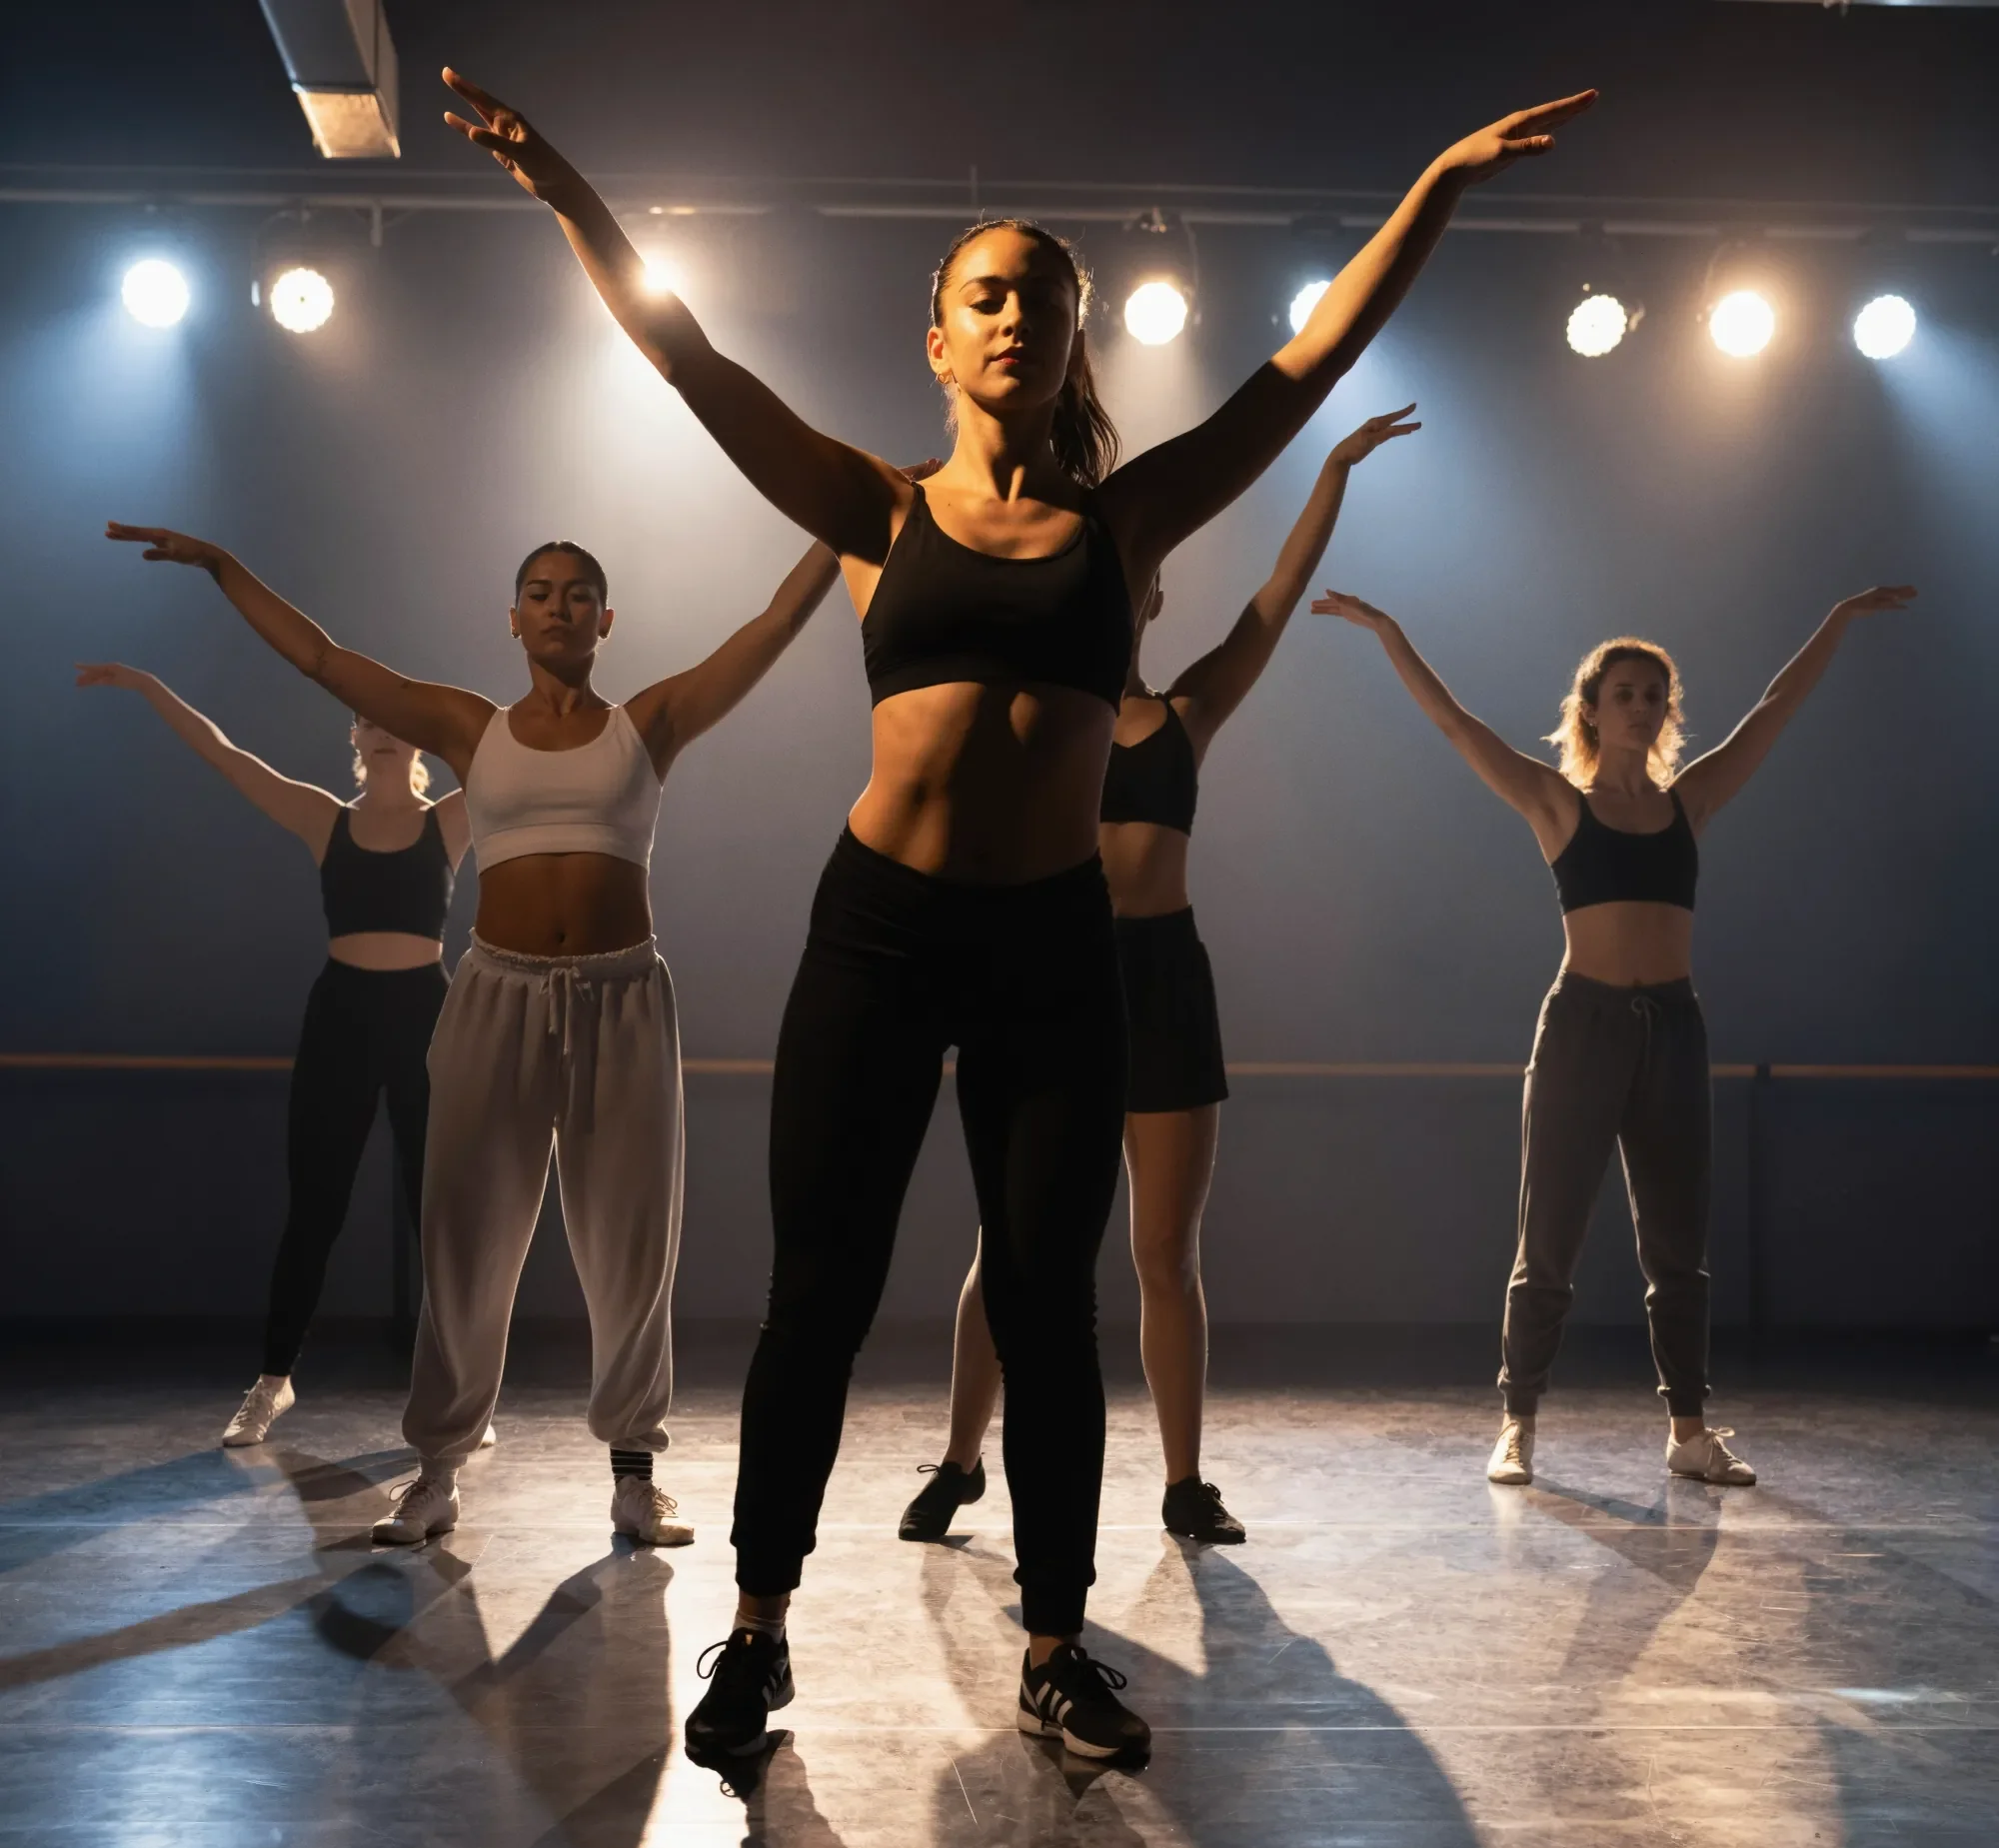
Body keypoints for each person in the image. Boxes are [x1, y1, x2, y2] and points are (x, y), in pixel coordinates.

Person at [441, 62, 1595, 1761]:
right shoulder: (875, 506)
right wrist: (560, 188)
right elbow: (689, 358)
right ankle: (757, 1634)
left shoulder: (1124, 517)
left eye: (1047, 305)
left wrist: (1432, 179)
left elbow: (1312, 361)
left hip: (1056, 941)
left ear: (1073, 344)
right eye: (987, 295)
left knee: (1053, 1303)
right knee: (818, 1296)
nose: (1016, 321)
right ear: (938, 333)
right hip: (880, 933)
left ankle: (1055, 1644)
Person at [105, 519, 845, 1546]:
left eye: (576, 591)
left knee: (632, 1241)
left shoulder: (649, 722)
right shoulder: (466, 726)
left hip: (622, 996)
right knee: (462, 1237)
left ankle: (635, 1473)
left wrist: (841, 531)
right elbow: (324, 658)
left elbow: (766, 627)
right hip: (495, 999)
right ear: (512, 617)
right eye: (538, 590)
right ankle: (437, 1469)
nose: (556, 604)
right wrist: (227, 566)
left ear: (603, 618)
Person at [900, 408, 1420, 1552]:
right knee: (1011, 1246)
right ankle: (956, 1459)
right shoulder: (1026, 713)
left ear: (1145, 603)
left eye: (1128, 586)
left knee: (1161, 1252)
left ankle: (1185, 1481)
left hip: (1164, 983)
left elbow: (1274, 600)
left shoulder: (1183, 712)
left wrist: (1327, 470)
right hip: (1045, 973)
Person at [1313, 581, 1916, 1486]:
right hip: (1582, 1026)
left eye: (1652, 693)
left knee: (1679, 1244)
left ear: (1665, 711)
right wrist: (1389, 631)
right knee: (1547, 1238)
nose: (1640, 705)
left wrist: (1834, 620)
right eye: (1623, 693)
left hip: (1673, 1028)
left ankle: (1688, 1431)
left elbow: (1772, 710)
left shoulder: (1692, 803)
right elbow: (1455, 725)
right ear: (1592, 711)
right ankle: (1516, 1425)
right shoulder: (1560, 805)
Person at [74, 666, 470, 1447]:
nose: (382, 731)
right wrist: (153, 687)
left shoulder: (454, 819)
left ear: (418, 738)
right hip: (343, 1017)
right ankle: (272, 1382)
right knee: (314, 1209)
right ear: (354, 737)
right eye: (367, 720)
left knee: (443, 1216)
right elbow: (225, 755)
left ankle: (459, 1390)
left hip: (427, 1019)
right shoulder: (322, 818)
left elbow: (533, 752)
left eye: (395, 720)